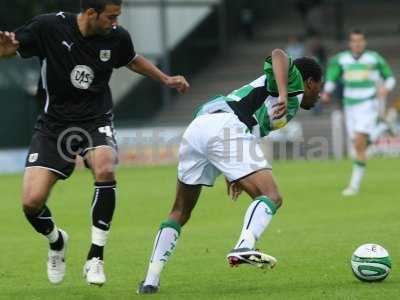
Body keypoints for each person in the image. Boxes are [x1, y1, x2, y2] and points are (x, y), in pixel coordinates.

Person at [0, 0, 189, 286]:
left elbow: (131, 59)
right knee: (31, 203)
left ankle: (95, 256)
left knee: (105, 167)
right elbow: (14, 46)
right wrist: (5, 51)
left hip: (94, 120)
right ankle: (56, 241)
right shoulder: (49, 27)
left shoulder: (117, 37)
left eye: (117, 17)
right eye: (110, 17)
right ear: (90, 13)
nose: (115, 22)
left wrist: (164, 78)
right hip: (53, 125)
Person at [137, 49, 323, 294]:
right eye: (319, 88)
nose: (320, 95)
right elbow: (278, 54)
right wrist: (283, 93)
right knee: (272, 195)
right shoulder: (294, 82)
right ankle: (244, 245)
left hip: (199, 128)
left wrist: (231, 173)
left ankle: (150, 281)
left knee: (180, 210)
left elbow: (248, 126)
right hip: (227, 126)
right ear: (310, 82)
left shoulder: (284, 98)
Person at [321, 29, 396, 196]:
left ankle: (354, 186)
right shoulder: (341, 59)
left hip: (368, 104)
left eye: (360, 41)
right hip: (350, 106)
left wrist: (386, 88)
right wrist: (326, 92)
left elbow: (390, 78)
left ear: (364, 42)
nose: (357, 44)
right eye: (354, 41)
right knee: (357, 143)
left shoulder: (374, 58)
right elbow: (332, 77)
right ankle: (378, 129)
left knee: (358, 145)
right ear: (350, 43)